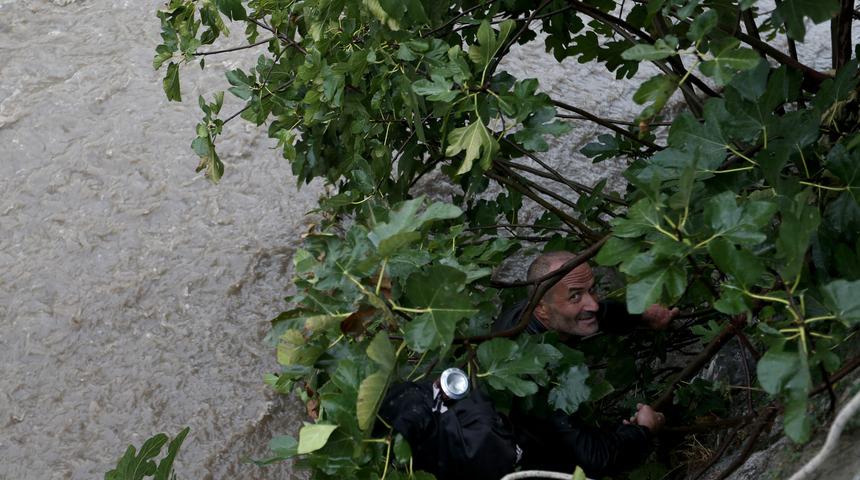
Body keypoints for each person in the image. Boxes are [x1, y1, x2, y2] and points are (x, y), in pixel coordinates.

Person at [494, 250, 677, 477]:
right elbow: (594, 459)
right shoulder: (542, 373)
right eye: (575, 296)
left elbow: (597, 313)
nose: (593, 304)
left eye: (591, 290)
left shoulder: (540, 312)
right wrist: (644, 431)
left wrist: (641, 315)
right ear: (542, 308)